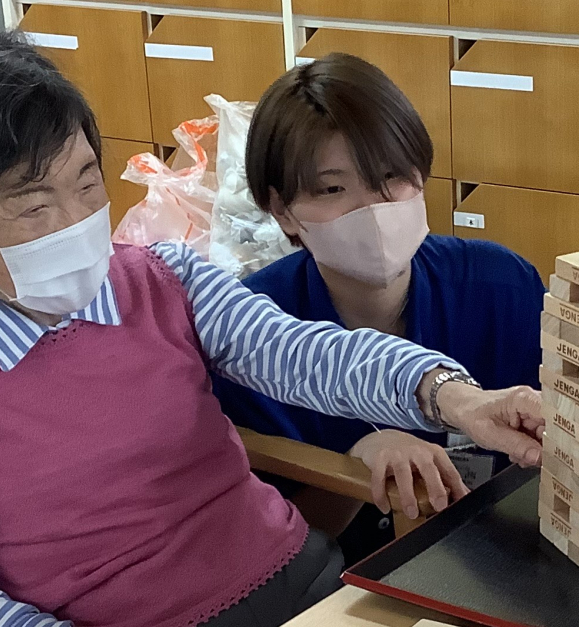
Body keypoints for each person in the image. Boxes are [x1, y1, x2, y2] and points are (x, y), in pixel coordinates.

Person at [0, 28, 544, 627]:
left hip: (295, 586)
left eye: (88, 183)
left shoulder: (163, 279)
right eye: (33, 206)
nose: (75, 222)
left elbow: (299, 352)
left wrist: (456, 398)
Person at [215, 54, 544, 558]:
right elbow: (262, 555)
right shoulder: (250, 335)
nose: (373, 207)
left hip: (505, 559)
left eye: (391, 177)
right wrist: (357, 462)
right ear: (281, 210)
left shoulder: (503, 286)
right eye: (333, 188)